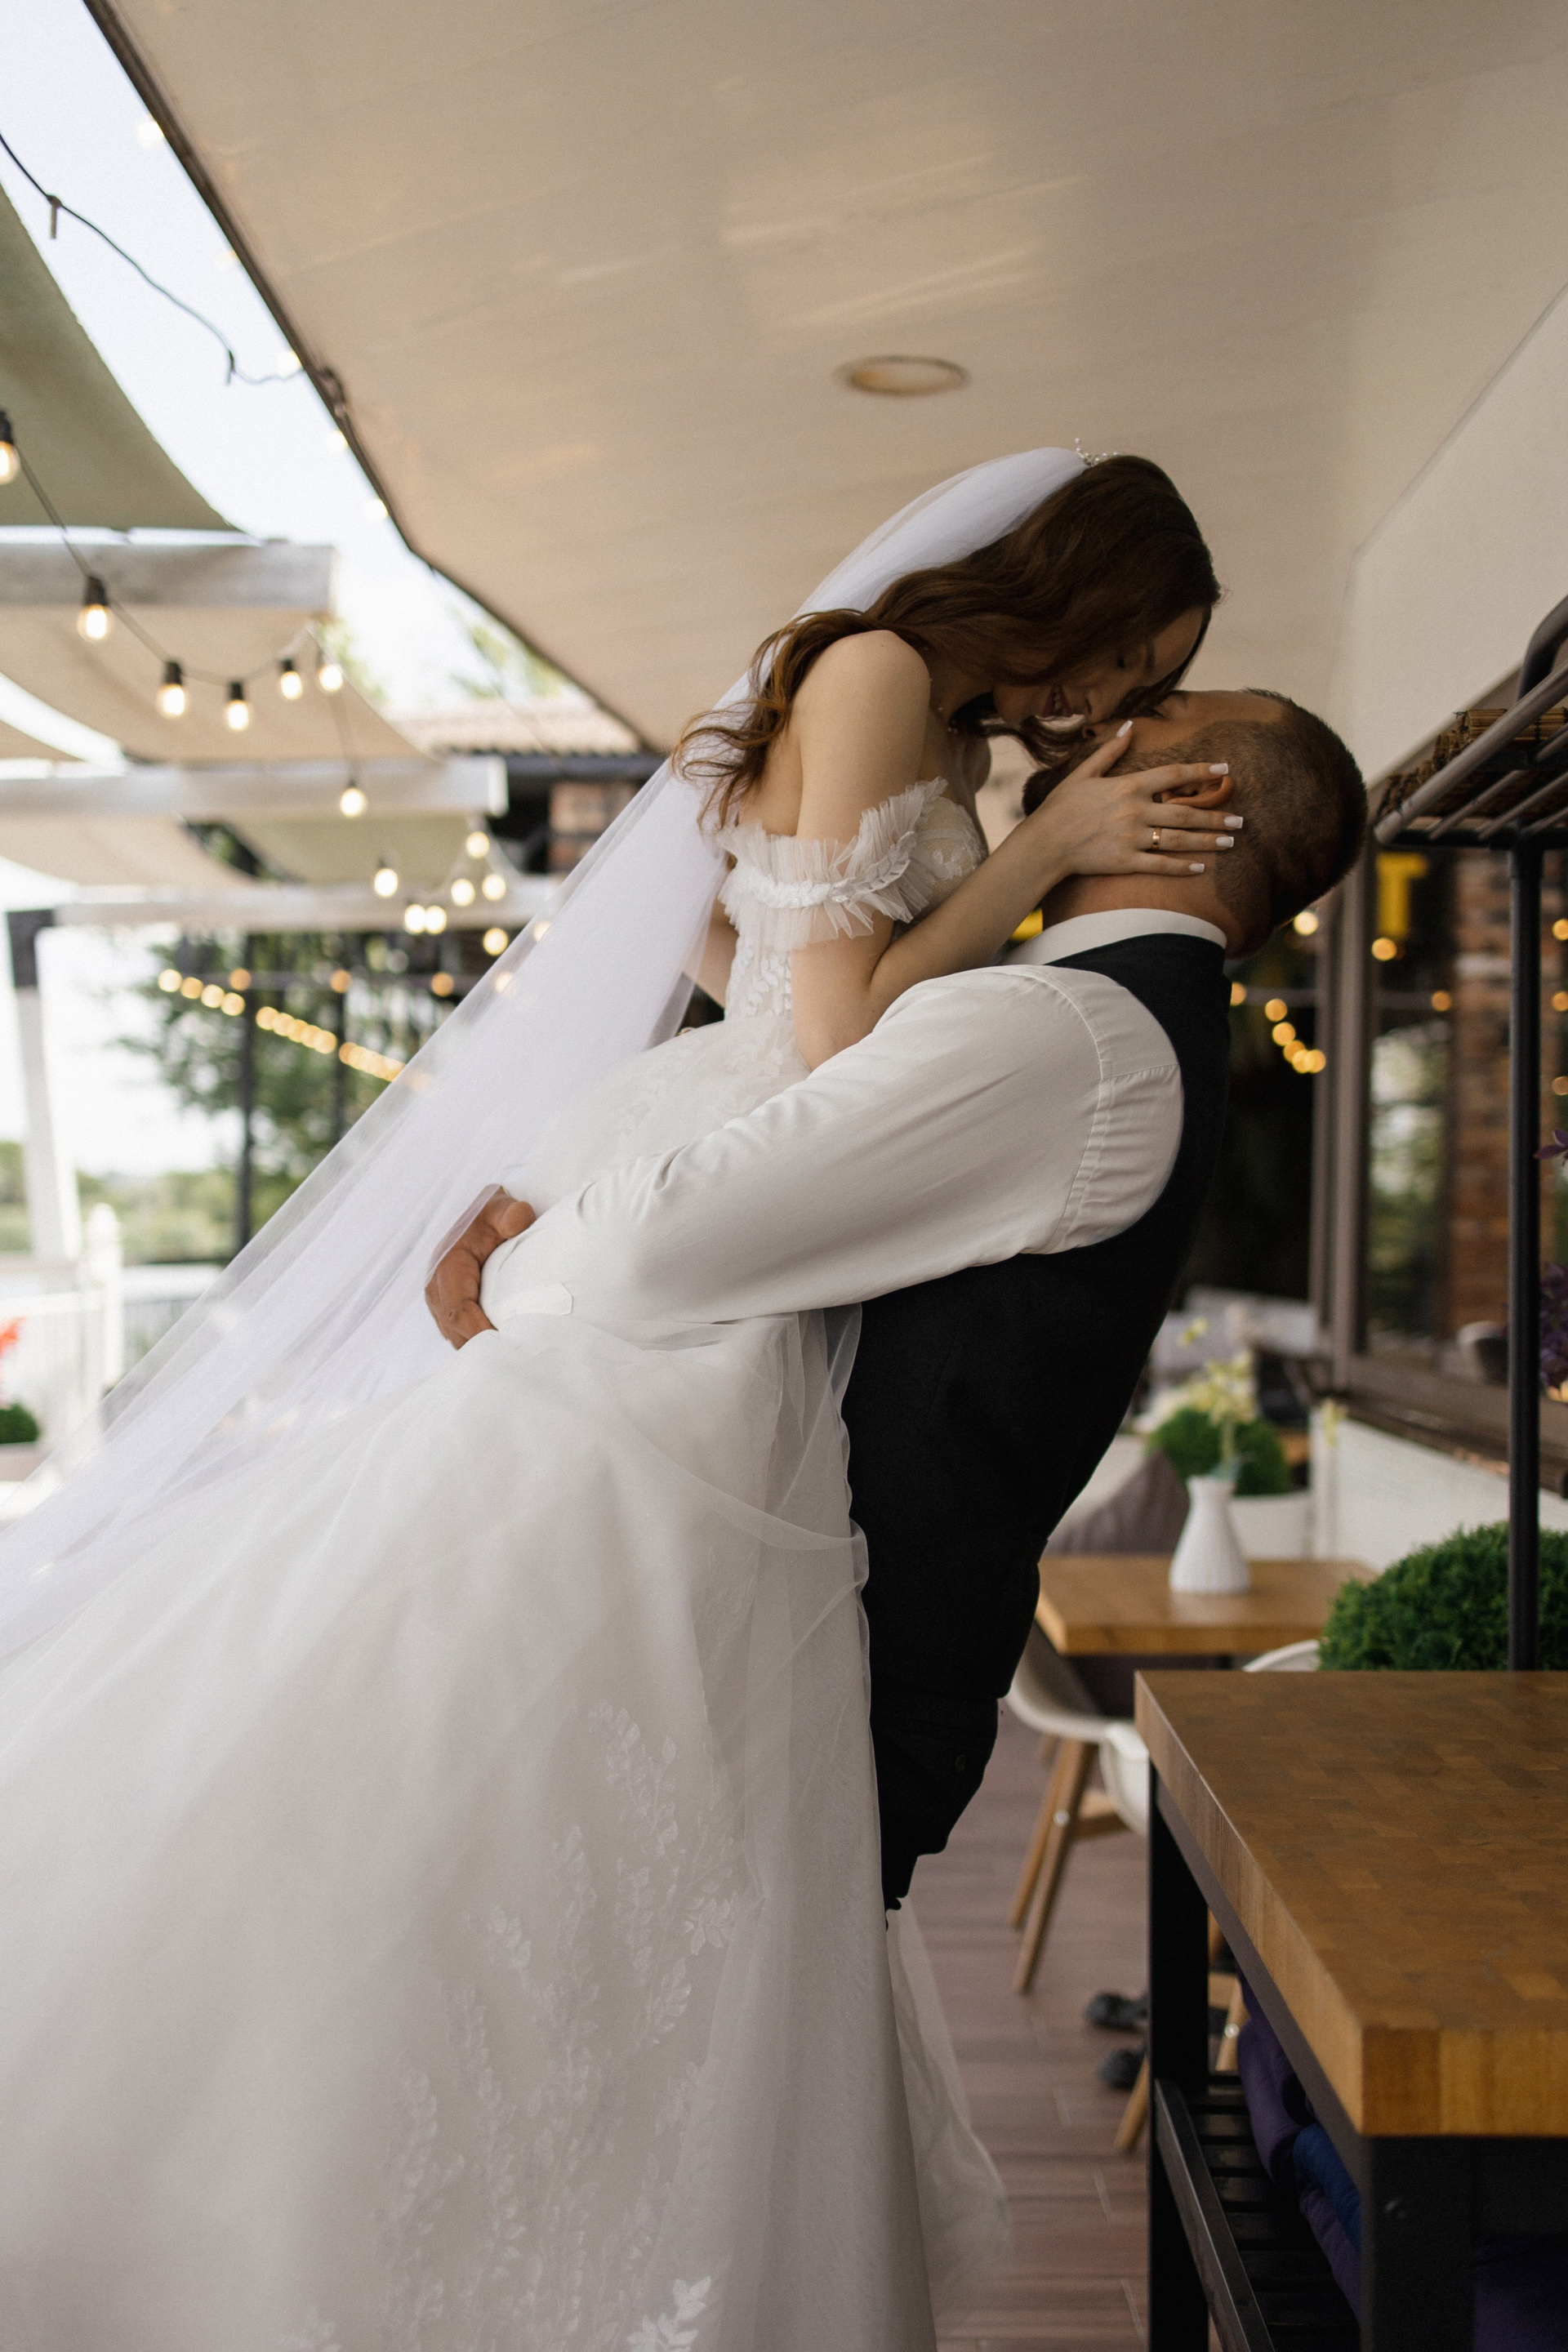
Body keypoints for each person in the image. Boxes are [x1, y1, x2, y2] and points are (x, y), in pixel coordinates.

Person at [0, 454, 1303, 2351]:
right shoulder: (879, 676)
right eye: (1124, 657)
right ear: (1069, 586)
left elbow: (757, 956)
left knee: (615, 1759)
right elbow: (831, 1034)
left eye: (1147, 691)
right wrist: (1007, 879)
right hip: (740, 1191)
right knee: (527, 1705)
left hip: (750, 1178)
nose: (1107, 708)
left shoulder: (937, 739)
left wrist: (828, 956)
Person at [430, 688, 1367, 1914]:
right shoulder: (1081, 1005)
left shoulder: (1072, 1030)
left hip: (830, 1680)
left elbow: (651, 1249)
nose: (1117, 712)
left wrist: (495, 1275)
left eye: (1168, 707)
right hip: (814, 1660)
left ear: (1193, 794)